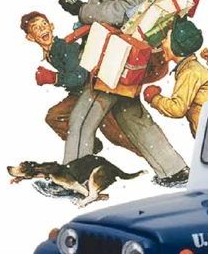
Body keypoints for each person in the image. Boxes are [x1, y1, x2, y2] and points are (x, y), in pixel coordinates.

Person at [58, 0, 189, 187]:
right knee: (130, 115)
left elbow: (129, 10)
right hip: (120, 56)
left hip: (119, 57)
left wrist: (82, 10)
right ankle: (175, 170)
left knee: (82, 117)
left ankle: (75, 180)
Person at [21, 11, 141, 158]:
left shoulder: (64, 47)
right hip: (80, 92)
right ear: (30, 37)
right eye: (36, 28)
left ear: (51, 26)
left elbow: (79, 76)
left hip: (93, 90)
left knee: (116, 134)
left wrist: (55, 78)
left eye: (44, 24)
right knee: (54, 117)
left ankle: (144, 152)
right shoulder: (50, 53)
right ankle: (90, 144)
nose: (42, 29)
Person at [143, 18, 208, 138]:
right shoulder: (194, 68)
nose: (163, 42)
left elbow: (177, 109)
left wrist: (154, 98)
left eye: (167, 39)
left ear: (175, 47)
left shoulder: (189, 72)